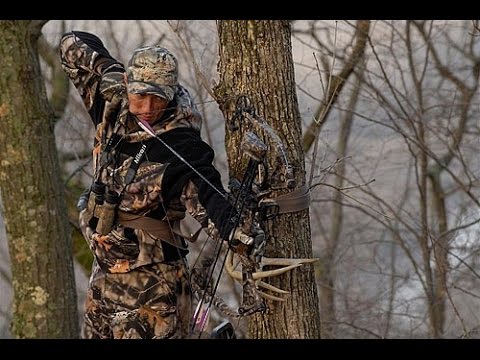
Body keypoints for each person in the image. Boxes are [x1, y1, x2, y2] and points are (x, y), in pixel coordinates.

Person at [59, 31, 258, 339]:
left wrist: (237, 232)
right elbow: (72, 43)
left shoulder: (182, 144)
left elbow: (209, 195)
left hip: (154, 288)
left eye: (158, 98)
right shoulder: (112, 105)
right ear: (128, 86)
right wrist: (107, 70)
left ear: (171, 93)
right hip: (105, 278)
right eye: (141, 96)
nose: (148, 107)